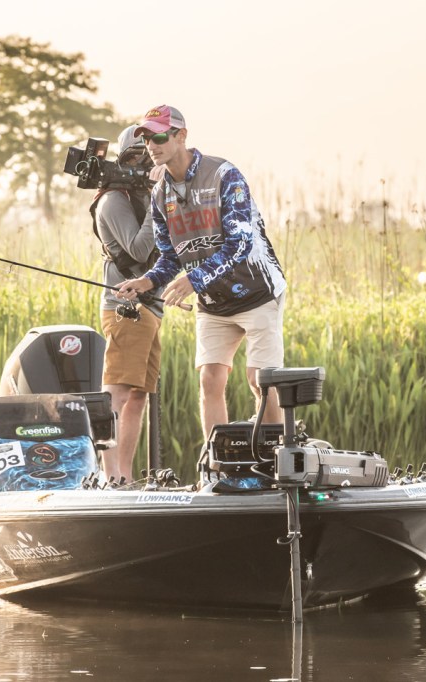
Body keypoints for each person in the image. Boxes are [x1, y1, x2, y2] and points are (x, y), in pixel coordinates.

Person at [116, 105, 287, 445]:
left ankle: (272, 455)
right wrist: (147, 281)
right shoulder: (160, 194)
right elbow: (170, 257)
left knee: (260, 381)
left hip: (258, 293)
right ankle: (216, 461)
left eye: (159, 137)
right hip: (213, 303)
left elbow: (240, 243)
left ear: (181, 136)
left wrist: (193, 280)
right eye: (146, 139)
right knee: (210, 379)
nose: (151, 146)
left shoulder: (224, 174)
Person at [91, 126, 164, 484]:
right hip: (125, 308)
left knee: (138, 397)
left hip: (151, 307)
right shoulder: (113, 201)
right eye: (137, 158)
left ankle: (125, 477)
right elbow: (138, 249)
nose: (145, 165)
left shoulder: (143, 197)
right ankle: (110, 478)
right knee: (117, 394)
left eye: (148, 157)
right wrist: (159, 198)